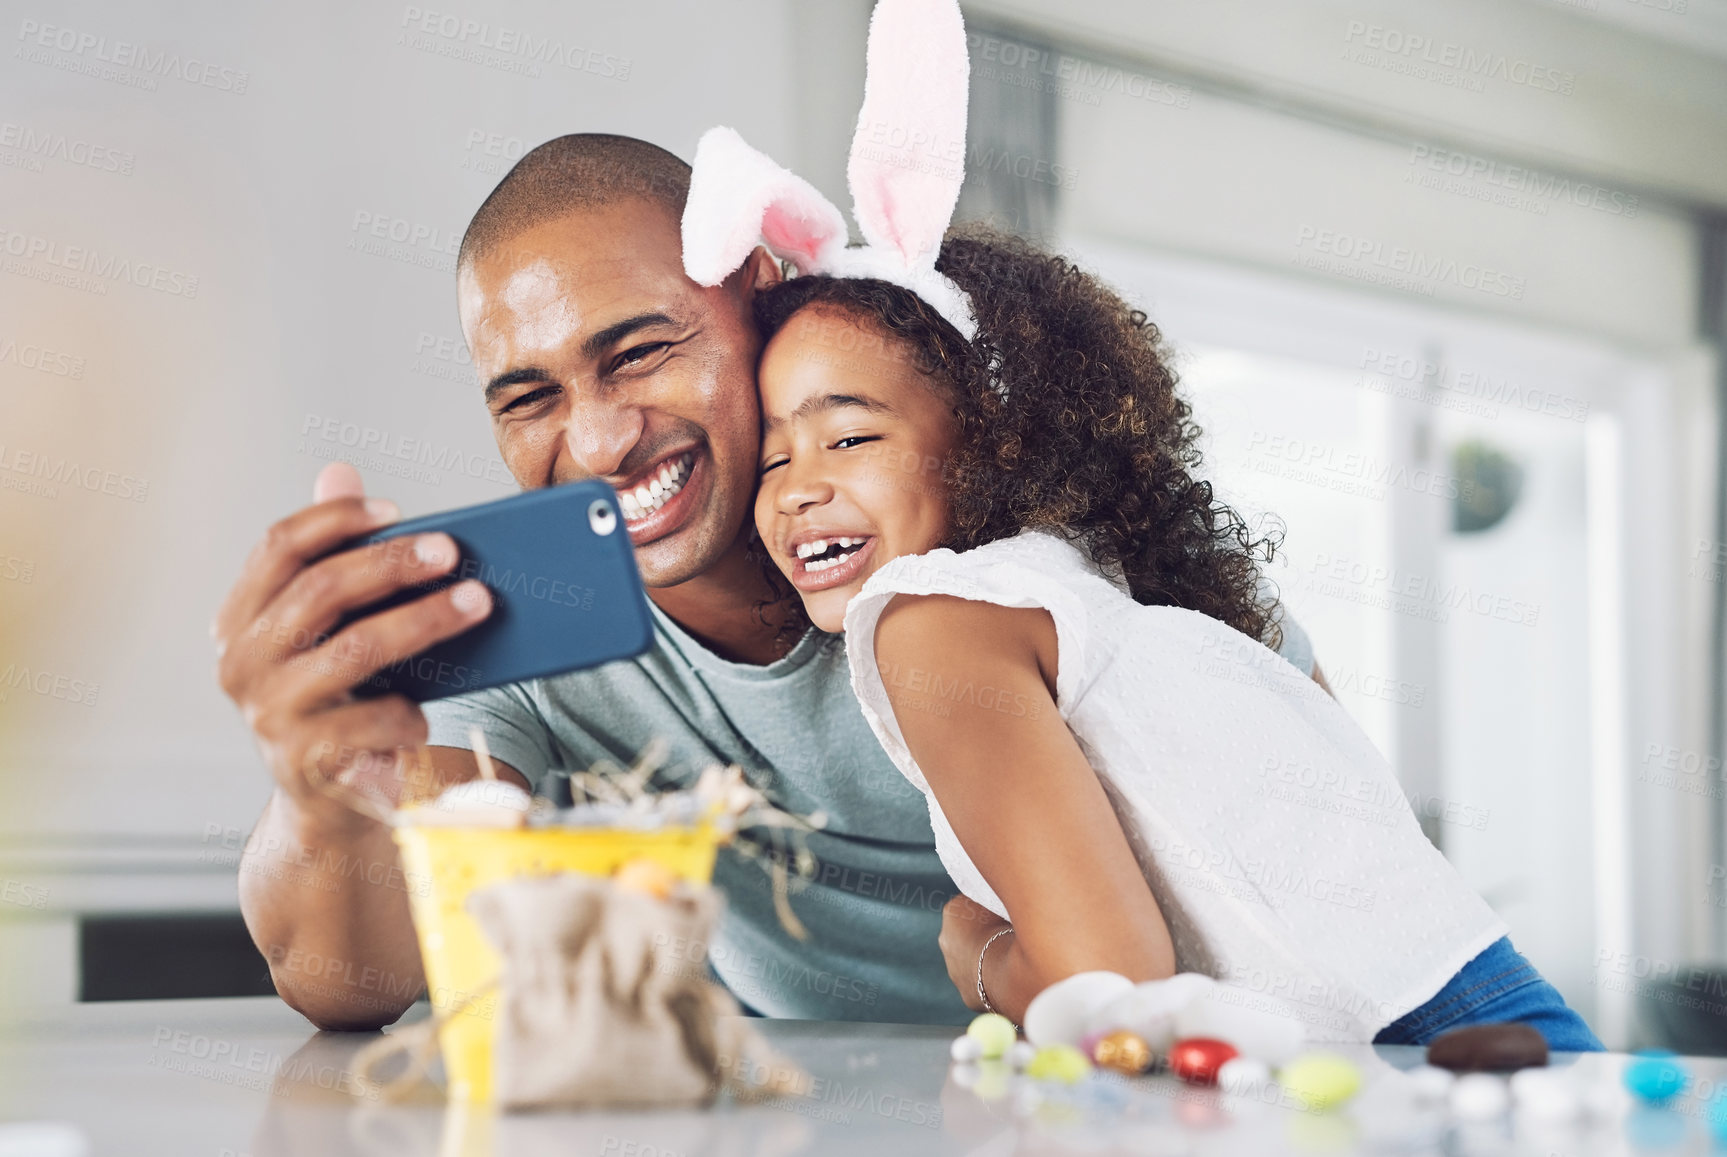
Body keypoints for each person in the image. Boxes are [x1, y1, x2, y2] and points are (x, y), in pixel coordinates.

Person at [215, 133, 1330, 1031]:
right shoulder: (520, 614)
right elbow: (352, 978)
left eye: (639, 350)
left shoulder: (1019, 545)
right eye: (528, 398)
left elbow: (1333, 838)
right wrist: (320, 793)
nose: (598, 440)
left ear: (757, 288)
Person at [745, 224, 1603, 1049]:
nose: (795, 489)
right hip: (1482, 1010)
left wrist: (977, 952)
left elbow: (1113, 994)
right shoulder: (1095, 587)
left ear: (995, 440)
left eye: (849, 435)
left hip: (1402, 1050)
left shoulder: (928, 616)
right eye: (770, 459)